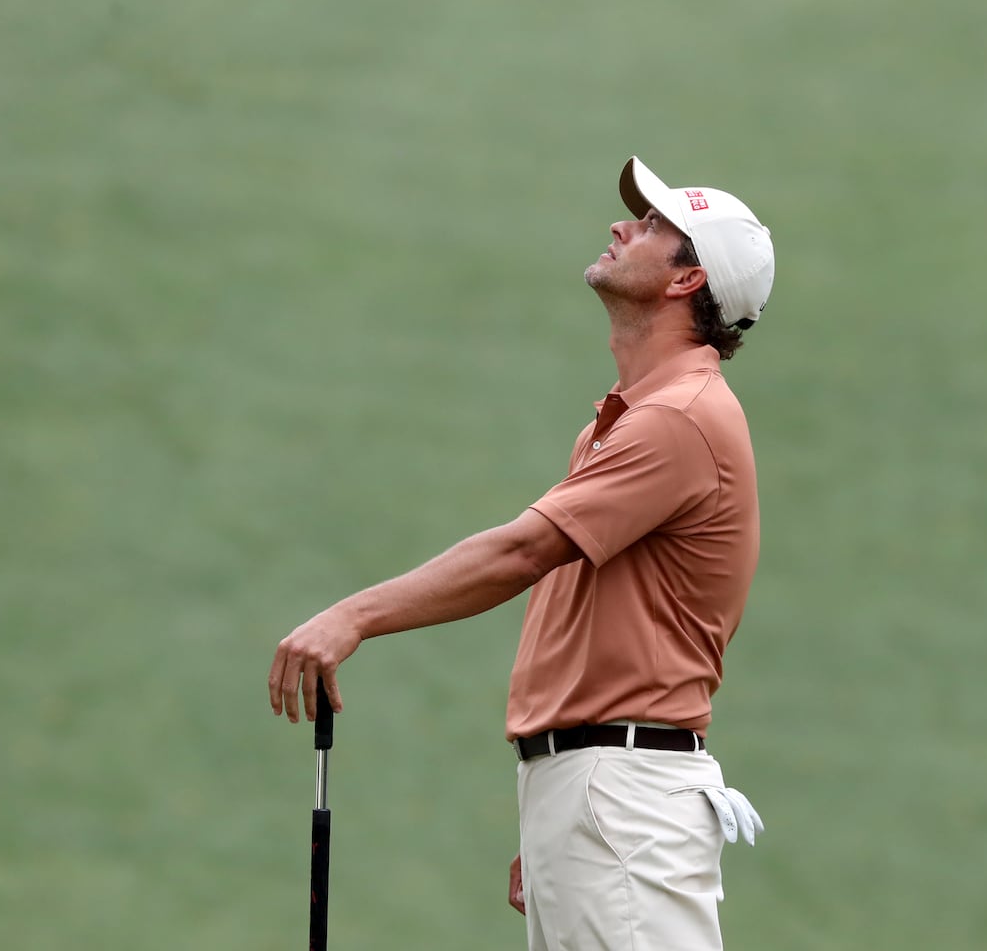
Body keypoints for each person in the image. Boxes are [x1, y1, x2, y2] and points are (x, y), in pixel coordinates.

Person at [268, 155, 774, 950]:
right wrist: (559, 817)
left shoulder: (677, 418)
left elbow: (520, 553)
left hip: (625, 792)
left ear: (686, 283)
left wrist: (354, 616)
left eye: (652, 227)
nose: (621, 226)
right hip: (597, 791)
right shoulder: (632, 419)